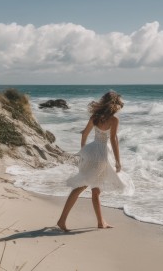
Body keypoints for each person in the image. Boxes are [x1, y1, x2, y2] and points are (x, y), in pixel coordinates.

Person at [57, 91, 134, 232]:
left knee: (95, 189)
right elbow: (113, 140)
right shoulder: (114, 120)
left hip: (91, 150)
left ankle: (100, 222)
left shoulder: (95, 117)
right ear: (114, 104)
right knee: (82, 186)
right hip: (102, 155)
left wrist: (84, 151)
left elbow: (84, 134)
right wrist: (118, 161)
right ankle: (62, 220)